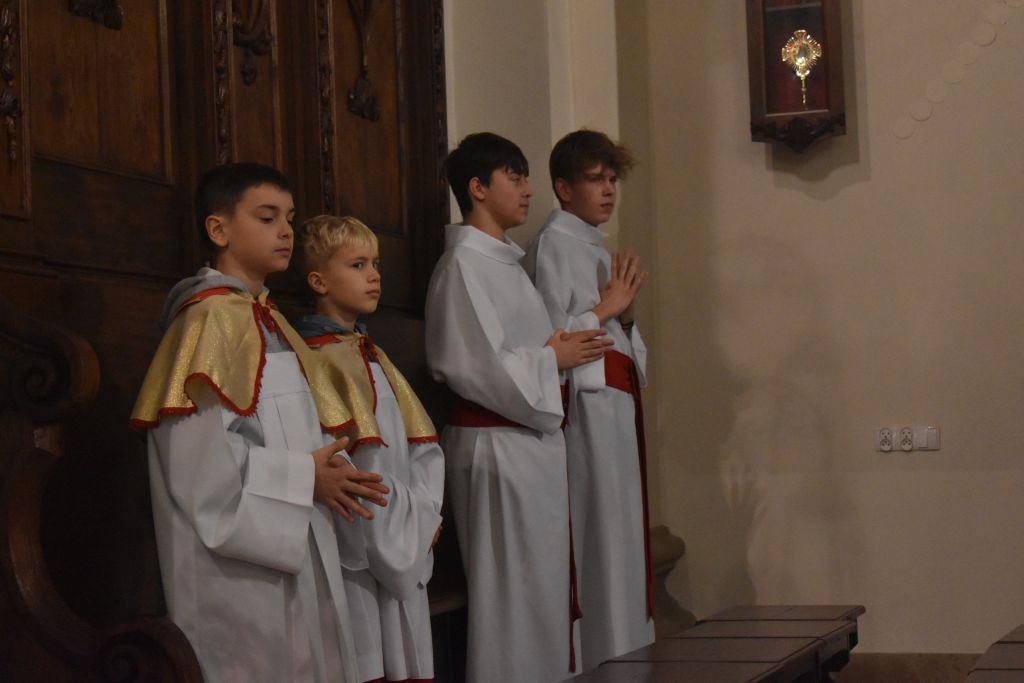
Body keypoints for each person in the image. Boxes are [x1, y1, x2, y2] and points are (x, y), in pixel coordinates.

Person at [130, 163, 388, 683]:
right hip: (241, 574)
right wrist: (305, 478)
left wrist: (328, 472)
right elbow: (200, 471)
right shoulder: (208, 321)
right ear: (218, 229)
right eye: (267, 218)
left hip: (299, 539)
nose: (286, 231)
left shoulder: (267, 319)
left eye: (289, 218)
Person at [424, 132, 612, 683]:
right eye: (515, 177)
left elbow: (524, 349)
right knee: (511, 601)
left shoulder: (503, 263)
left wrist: (556, 349)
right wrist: (552, 358)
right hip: (496, 448)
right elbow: (476, 367)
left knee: (539, 592)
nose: (528, 190)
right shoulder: (463, 265)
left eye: (527, 177)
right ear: (477, 188)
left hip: (527, 444)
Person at [522, 129, 654, 670]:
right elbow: (551, 339)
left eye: (613, 179)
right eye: (596, 179)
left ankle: (630, 655)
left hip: (615, 408)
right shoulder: (553, 245)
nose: (608, 190)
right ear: (563, 187)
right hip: (587, 413)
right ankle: (604, 659)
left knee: (622, 536)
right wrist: (607, 311)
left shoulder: (594, 247)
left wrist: (626, 317)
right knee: (599, 538)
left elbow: (615, 335)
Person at [294, 214, 444, 683]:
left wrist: (424, 516)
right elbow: (357, 465)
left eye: (375, 263)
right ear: (318, 281)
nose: (374, 275)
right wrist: (406, 527)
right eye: (357, 265)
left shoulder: (370, 352)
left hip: (402, 528)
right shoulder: (319, 359)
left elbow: (420, 444)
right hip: (360, 547)